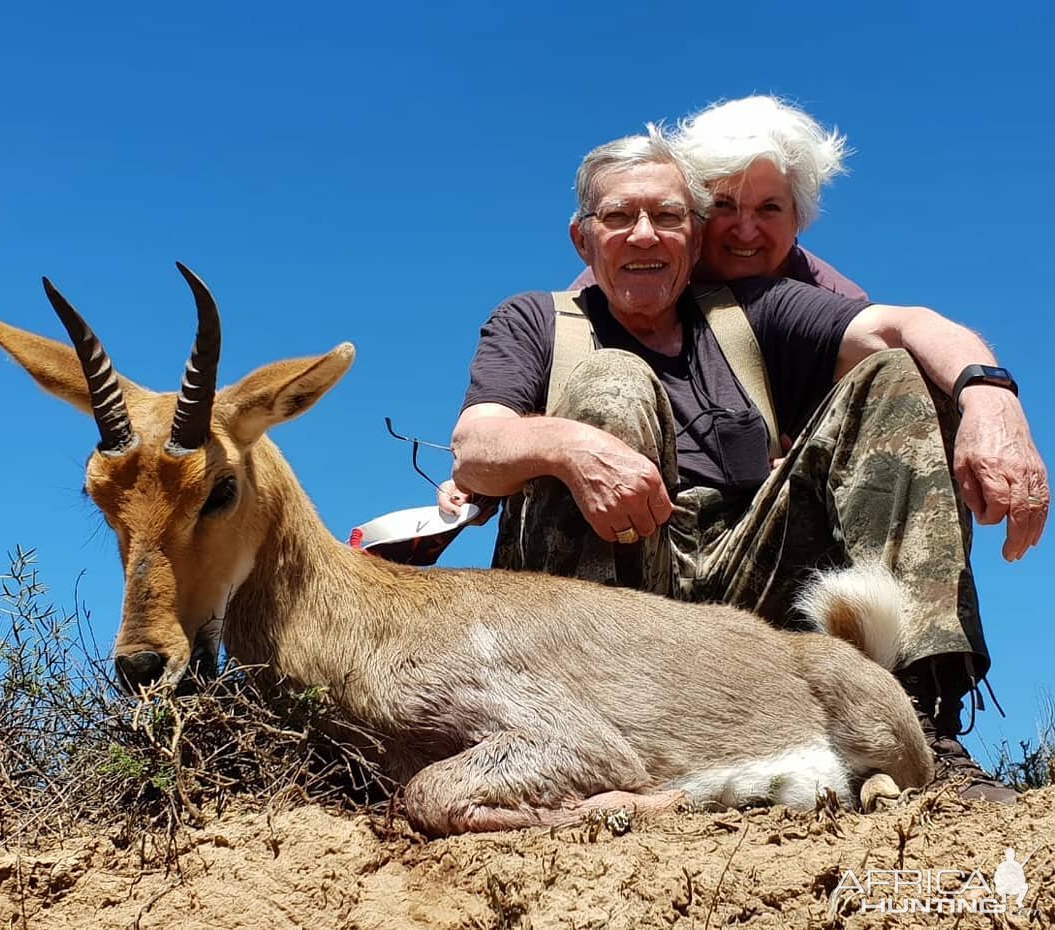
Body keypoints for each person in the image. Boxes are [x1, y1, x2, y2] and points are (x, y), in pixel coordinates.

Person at [444, 129, 1048, 803]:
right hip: (595, 634)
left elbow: (903, 326)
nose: (644, 235)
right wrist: (569, 447)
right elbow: (475, 445)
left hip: (740, 600)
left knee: (897, 377)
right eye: (619, 216)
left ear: (694, 237)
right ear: (583, 239)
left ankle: (912, 720)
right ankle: (581, 751)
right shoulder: (535, 321)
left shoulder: (750, 315)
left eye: (667, 217)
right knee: (611, 382)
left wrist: (990, 399)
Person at [569, 95, 866, 298]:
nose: (746, 231)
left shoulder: (833, 297)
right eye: (723, 205)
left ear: (798, 218)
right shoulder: (632, 272)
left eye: (769, 208)